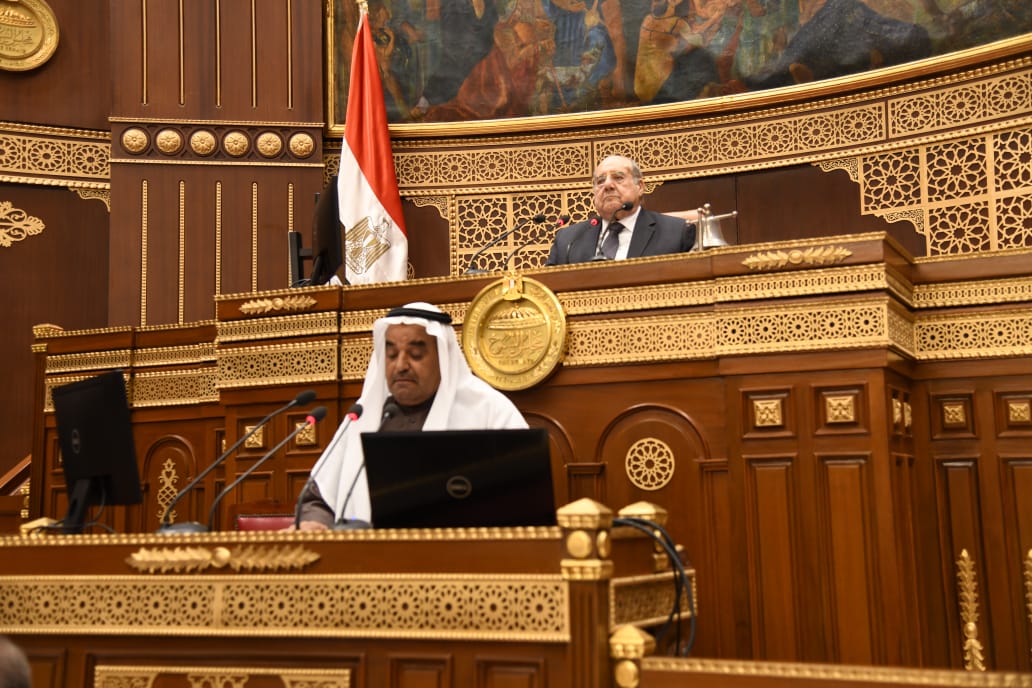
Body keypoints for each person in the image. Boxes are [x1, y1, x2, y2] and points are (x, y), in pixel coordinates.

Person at [295, 302, 528, 530]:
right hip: (368, 552)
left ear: (443, 358)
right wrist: (315, 523)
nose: (401, 365)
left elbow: (525, 496)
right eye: (392, 354)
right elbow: (317, 498)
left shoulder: (489, 410)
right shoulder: (364, 416)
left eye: (415, 354)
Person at [545, 155, 697, 265]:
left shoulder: (677, 232)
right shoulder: (569, 240)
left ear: (640, 187)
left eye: (618, 178)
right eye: (600, 181)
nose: (607, 185)